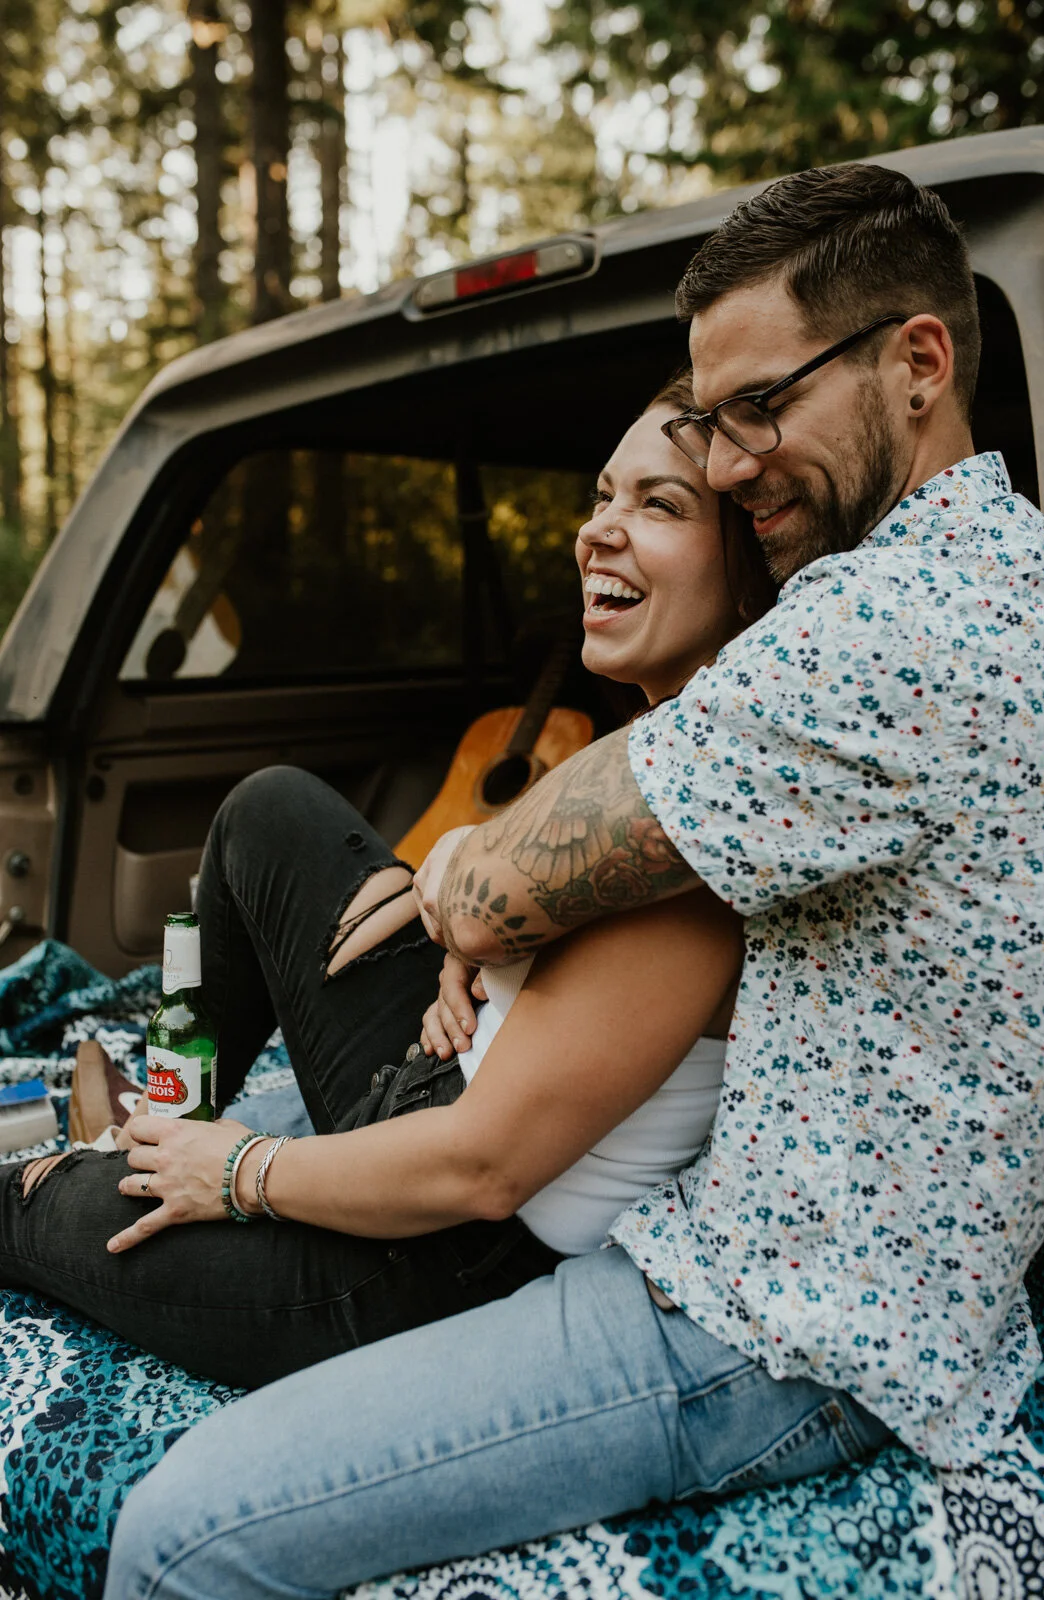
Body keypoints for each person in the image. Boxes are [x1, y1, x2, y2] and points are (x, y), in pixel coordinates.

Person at [102, 160, 1044, 1600]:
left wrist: (466, 905)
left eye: (760, 407)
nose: (736, 461)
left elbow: (490, 911)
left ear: (918, 363)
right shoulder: (1023, 580)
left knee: (178, 1538)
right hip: (846, 1285)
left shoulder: (882, 625)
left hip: (767, 1335)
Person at [0, 377, 775, 1392]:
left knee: (25, 1198)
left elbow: (482, 1173)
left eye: (659, 505)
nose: (598, 533)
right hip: (427, 1079)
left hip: (435, 1252)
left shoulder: (703, 820)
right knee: (270, 807)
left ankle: (131, 1157)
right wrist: (473, 939)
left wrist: (235, 1172)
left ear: (753, 575)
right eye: (602, 496)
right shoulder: (646, 749)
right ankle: (158, 1111)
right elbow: (527, 898)